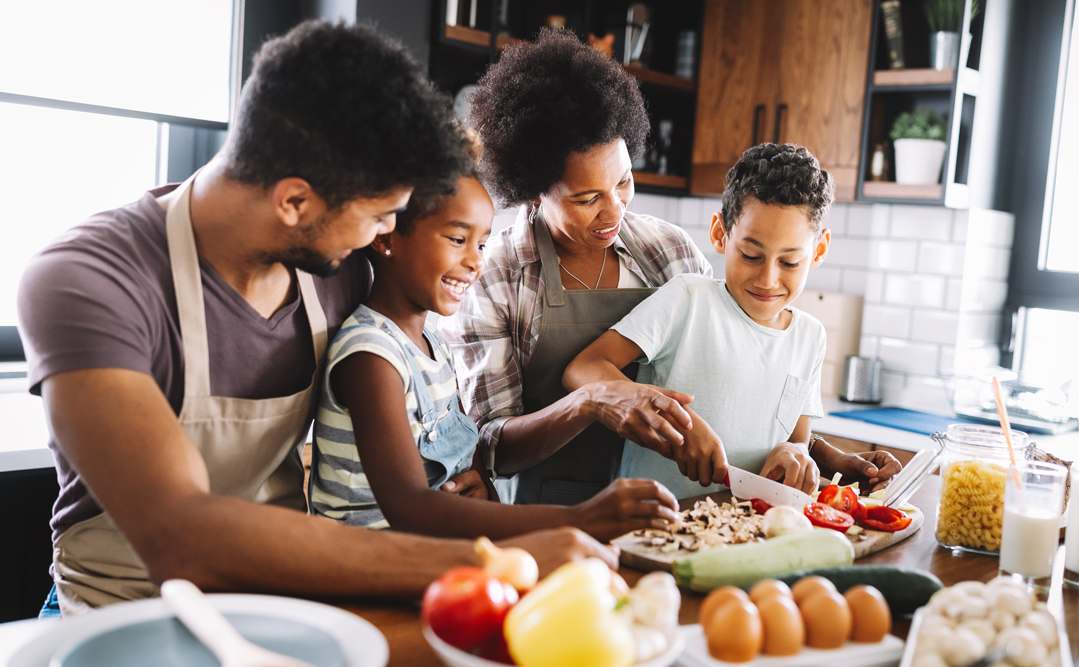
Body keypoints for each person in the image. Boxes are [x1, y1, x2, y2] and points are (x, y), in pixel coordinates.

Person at [18, 21, 613, 617]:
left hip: (279, 604)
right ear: (295, 201)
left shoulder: (339, 266)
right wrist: (495, 557)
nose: (387, 234)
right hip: (118, 610)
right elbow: (180, 537)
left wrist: (458, 479)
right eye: (382, 216)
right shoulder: (85, 282)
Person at [310, 151, 681, 540]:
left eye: (482, 244)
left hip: (426, 554)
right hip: (368, 567)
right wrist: (578, 520)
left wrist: (480, 485)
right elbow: (410, 507)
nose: (475, 262)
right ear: (385, 237)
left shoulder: (430, 345)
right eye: (458, 239)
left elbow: (460, 469)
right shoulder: (372, 355)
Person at [441, 29, 724, 507]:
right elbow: (491, 448)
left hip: (668, 507)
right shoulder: (496, 275)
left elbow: (724, 370)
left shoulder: (669, 252)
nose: (614, 211)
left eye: (624, 182)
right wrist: (590, 402)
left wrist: (808, 447)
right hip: (546, 513)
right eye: (587, 198)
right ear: (533, 189)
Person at [564, 143, 903, 500]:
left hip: (746, 533)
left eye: (789, 262)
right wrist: (676, 420)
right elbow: (583, 369)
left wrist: (794, 454)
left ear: (818, 251)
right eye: (751, 255)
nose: (768, 279)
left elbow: (796, 440)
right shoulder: (688, 300)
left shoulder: (810, 337)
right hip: (654, 526)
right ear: (720, 234)